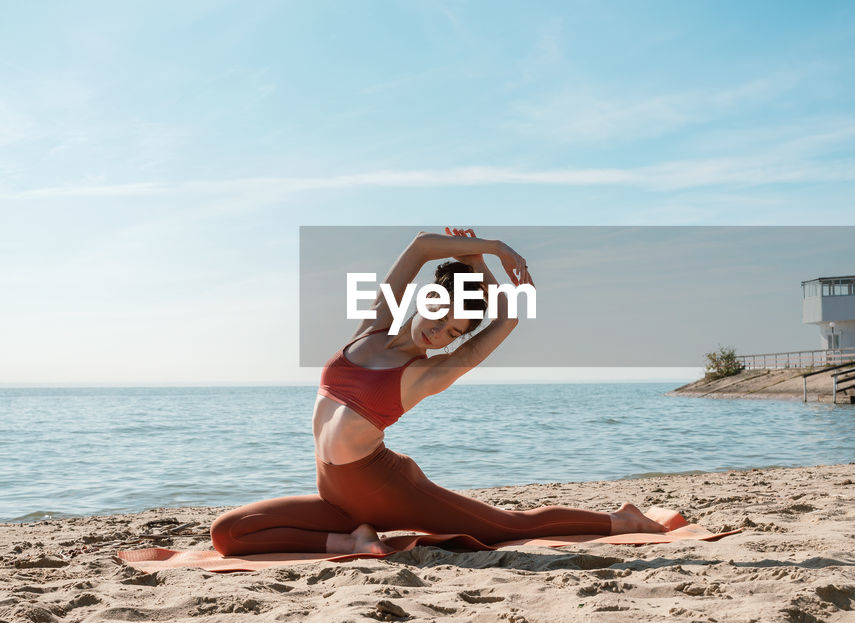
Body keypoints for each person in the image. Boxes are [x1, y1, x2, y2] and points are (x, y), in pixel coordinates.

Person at [210, 231, 666, 557]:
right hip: (335, 498)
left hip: (389, 490)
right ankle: (353, 541)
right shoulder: (373, 326)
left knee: (507, 527)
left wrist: (485, 271)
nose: (439, 331)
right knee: (228, 534)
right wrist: (489, 249)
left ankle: (622, 518)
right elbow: (421, 247)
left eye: (453, 331)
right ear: (426, 296)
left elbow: (506, 318)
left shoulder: (427, 374)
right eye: (440, 311)